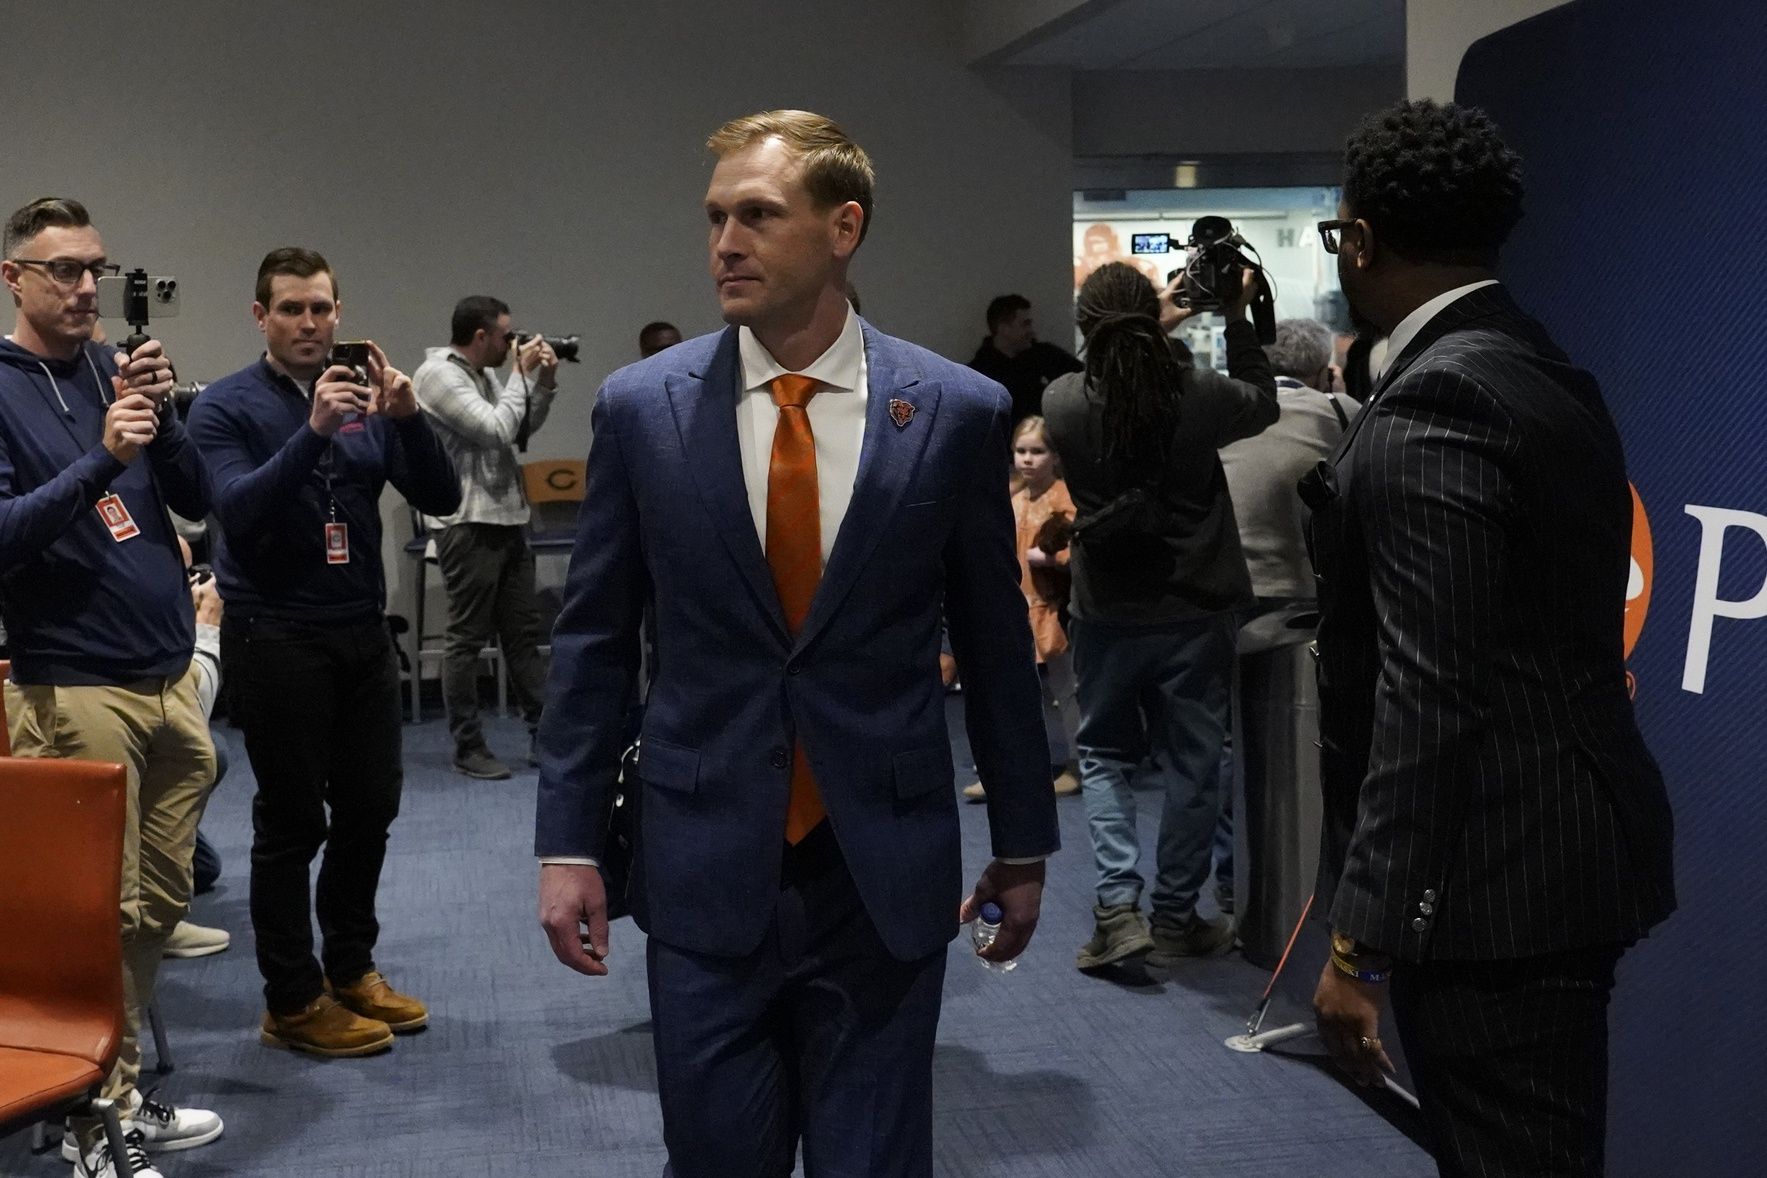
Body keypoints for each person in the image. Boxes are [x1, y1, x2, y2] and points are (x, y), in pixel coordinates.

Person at [535, 109, 1058, 1178]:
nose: (725, 240)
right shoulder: (642, 409)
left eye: (759, 215)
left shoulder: (957, 410)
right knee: (719, 1155)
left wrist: (1022, 837)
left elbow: (997, 647)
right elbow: (592, 642)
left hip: (883, 866)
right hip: (701, 853)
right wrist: (569, 842)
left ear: (843, 226)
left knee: (875, 1159)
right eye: (716, 216)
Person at [1307, 99, 1676, 1177]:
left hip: (1495, 889)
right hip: (1555, 858)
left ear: (1362, 241)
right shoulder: (1532, 356)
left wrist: (1357, 941)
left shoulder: (1440, 401)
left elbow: (1431, 693)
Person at [186, 247, 461, 1058]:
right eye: (290, 310)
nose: (308, 323)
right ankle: (292, 999)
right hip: (275, 633)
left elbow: (441, 498)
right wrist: (310, 433)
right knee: (292, 822)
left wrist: (407, 418)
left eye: (320, 309)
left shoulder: (369, 401)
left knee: (371, 809)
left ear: (338, 314)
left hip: (359, 630)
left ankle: (351, 967)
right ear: (260, 316)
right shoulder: (224, 408)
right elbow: (235, 508)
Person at [0, 196, 222, 1178]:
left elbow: (200, 496)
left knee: (157, 903)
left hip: (168, 678)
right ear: (15, 278)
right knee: (96, 913)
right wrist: (106, 456)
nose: (87, 286)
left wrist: (160, 421)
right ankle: (101, 1114)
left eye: (95, 267)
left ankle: (112, 1085)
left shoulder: (106, 365)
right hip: (74, 683)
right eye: (62, 269)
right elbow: (7, 537)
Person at [1042, 260, 1277, 973]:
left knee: (1105, 756)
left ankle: (1118, 912)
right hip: (1193, 607)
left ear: (1085, 327)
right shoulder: (1197, 392)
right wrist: (1233, 317)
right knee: (1194, 765)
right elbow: (1262, 403)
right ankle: (1177, 917)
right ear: (1149, 323)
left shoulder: (1059, 401)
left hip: (1106, 608)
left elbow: (1117, 384)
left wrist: (1149, 326)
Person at [413, 296, 563, 779]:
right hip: (467, 520)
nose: (511, 343)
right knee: (467, 640)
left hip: (507, 517)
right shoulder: (438, 375)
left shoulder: (482, 373)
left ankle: (545, 738)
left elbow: (519, 429)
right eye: (505, 335)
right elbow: (494, 429)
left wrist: (544, 383)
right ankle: (468, 746)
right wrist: (520, 374)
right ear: (480, 337)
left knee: (522, 634)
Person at [962, 415, 1079, 802]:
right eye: (1021, 451)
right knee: (1010, 693)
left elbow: (1082, 551)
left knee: (1068, 691)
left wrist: (1054, 559)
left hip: (1053, 608)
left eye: (1037, 451)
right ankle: (1003, 769)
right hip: (1015, 608)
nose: (1027, 459)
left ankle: (1079, 766)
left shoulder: (1065, 499)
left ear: (1055, 456)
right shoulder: (1012, 500)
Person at [967, 294, 1082, 425]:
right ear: (1003, 328)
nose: (1032, 331)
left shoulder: (1046, 356)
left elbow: (1084, 381)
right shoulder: (978, 374)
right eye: (1025, 324)